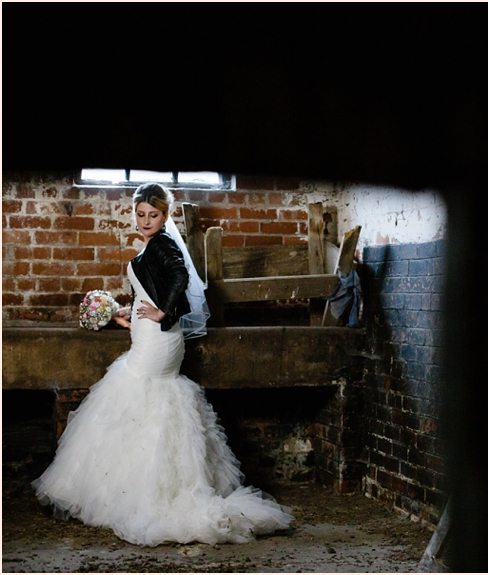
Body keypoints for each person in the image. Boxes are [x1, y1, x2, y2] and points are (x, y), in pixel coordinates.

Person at [32, 183, 294, 546]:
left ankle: (149, 494)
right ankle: (131, 488)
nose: (145, 221)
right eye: (140, 214)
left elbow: (180, 280)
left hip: (159, 340)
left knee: (141, 393)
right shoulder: (152, 245)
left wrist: (164, 312)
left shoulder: (165, 244)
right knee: (142, 398)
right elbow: (148, 288)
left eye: (153, 215)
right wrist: (124, 313)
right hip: (148, 334)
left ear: (164, 216)